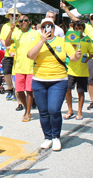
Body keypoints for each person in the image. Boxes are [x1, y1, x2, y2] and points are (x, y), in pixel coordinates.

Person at [27, 18, 80, 151]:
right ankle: (47, 137)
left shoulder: (62, 41)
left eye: (50, 26)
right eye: (44, 26)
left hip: (58, 80)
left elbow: (72, 56)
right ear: (40, 29)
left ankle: (56, 137)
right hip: (39, 80)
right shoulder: (36, 41)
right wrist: (42, 41)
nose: (47, 29)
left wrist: (77, 56)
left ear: (54, 28)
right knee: (43, 112)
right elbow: (31, 56)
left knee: (54, 110)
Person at [60, 3, 93, 110]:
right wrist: (65, 8)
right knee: (90, 81)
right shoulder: (86, 27)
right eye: (92, 18)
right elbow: (74, 19)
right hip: (91, 58)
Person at [5, 14, 39, 122]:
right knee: (19, 91)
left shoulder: (35, 33)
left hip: (31, 67)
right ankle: (26, 108)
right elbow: (7, 43)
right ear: (18, 24)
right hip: (19, 67)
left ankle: (28, 112)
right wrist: (10, 30)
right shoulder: (16, 33)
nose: (23, 22)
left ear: (29, 21)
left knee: (29, 91)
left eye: (25, 20)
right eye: (21, 21)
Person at [64, 21, 93, 120]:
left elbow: (92, 53)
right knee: (67, 89)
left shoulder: (87, 40)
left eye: (80, 28)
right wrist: (72, 46)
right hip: (71, 69)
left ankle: (80, 111)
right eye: (76, 28)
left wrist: (88, 59)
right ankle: (70, 109)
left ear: (83, 29)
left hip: (82, 70)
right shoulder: (70, 38)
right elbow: (65, 51)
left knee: (80, 91)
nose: (78, 30)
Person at [0, 8, 19, 101]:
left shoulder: (20, 26)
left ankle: (17, 91)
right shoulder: (5, 26)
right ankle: (10, 88)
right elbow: (2, 38)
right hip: (8, 54)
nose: (14, 17)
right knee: (7, 72)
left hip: (18, 54)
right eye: (12, 15)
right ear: (9, 16)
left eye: (16, 15)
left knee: (17, 74)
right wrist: (5, 45)